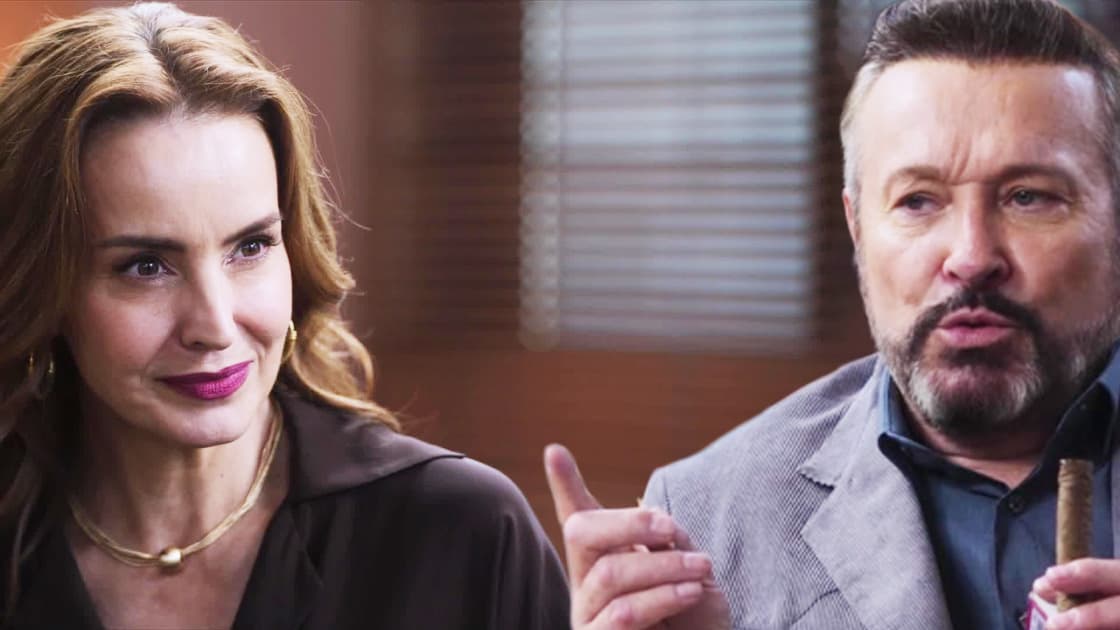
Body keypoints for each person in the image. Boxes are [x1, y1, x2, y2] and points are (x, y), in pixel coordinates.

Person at [544, 0, 1120, 628]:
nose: (972, 257)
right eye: (918, 201)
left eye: (1028, 197)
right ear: (857, 226)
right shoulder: (705, 522)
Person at [0, 3, 569, 628]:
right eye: (146, 266)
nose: (215, 325)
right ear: (41, 288)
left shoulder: (465, 534)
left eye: (250, 247)